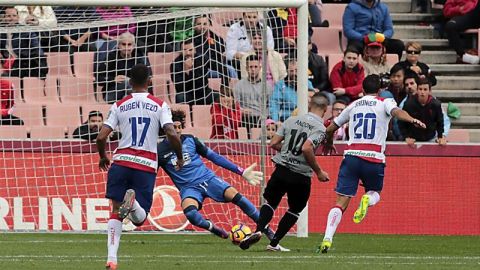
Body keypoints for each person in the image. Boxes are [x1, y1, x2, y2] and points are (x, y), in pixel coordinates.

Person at [317, 74, 426, 254]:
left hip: (351, 156)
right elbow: (397, 112)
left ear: (362, 90)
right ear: (380, 90)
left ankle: (327, 238)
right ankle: (367, 198)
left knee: (341, 202)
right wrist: (412, 119)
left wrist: (328, 141)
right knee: (375, 192)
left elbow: (331, 127)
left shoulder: (353, 105)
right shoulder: (384, 102)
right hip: (373, 156)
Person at [96, 64, 184, 270]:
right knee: (139, 220)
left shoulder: (119, 104)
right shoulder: (160, 105)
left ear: (129, 82)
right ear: (150, 81)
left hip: (121, 162)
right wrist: (179, 156)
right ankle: (133, 204)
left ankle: (112, 259)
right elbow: (171, 133)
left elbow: (101, 137)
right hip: (145, 164)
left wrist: (103, 156)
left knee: (116, 212)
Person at [157, 109, 281, 242]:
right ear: (166, 130)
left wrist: (241, 171)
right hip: (188, 188)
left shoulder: (191, 140)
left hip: (208, 179)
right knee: (191, 214)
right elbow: (151, 174)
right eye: (174, 127)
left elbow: (214, 157)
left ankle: (267, 230)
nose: (177, 130)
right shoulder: (159, 151)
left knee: (238, 197)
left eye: (179, 127)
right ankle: (212, 228)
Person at [239, 92, 331, 252]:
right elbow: (307, 148)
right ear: (325, 108)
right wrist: (319, 171)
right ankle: (274, 243)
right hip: (300, 176)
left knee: (271, 203)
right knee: (295, 210)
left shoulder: (291, 120)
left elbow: (274, 143)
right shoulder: (320, 129)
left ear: (310, 105)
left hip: (281, 170)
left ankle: (259, 230)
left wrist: (288, 149)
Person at [97, 32, 151, 104]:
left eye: (129, 45)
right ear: (118, 45)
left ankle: (129, 99)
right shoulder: (111, 57)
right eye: (123, 44)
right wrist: (113, 79)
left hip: (133, 94)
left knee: (128, 90)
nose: (126, 47)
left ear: (134, 46)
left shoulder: (139, 58)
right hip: (112, 94)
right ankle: (145, 100)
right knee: (125, 81)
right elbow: (99, 79)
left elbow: (149, 76)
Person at [0, 7, 48, 78]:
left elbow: (37, 48)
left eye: (14, 16)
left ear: (18, 17)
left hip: (23, 63)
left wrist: (41, 64)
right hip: (6, 62)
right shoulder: (1, 32)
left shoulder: (26, 31)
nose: (11, 18)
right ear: (3, 18)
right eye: (8, 16)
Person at [399, 78, 447, 146]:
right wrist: (406, 137)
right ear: (417, 90)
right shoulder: (408, 104)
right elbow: (401, 121)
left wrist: (440, 137)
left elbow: (440, 122)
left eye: (425, 89)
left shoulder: (436, 104)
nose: (422, 92)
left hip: (431, 137)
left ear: (429, 91)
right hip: (413, 139)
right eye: (420, 89)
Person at [234, 54, 273, 135]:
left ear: (260, 68)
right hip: (246, 118)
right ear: (246, 68)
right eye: (250, 67)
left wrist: (265, 114)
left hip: (262, 118)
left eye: (255, 67)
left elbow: (271, 105)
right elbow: (235, 105)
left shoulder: (267, 86)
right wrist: (241, 110)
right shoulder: (239, 86)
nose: (253, 69)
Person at [270, 58, 315, 123]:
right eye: (291, 71)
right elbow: (274, 104)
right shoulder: (280, 85)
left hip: (304, 119)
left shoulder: (308, 83)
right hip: (286, 119)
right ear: (287, 71)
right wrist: (275, 121)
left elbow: (313, 103)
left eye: (296, 70)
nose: (294, 73)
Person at [171, 38, 213, 106]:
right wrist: (187, 71)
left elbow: (202, 84)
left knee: (218, 96)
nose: (187, 53)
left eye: (190, 50)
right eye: (184, 50)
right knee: (180, 97)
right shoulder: (175, 64)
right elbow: (180, 88)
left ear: (195, 50)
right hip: (187, 94)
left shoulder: (201, 59)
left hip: (202, 93)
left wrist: (191, 70)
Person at [443, 0, 480, 64]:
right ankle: (463, 55)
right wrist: (459, 9)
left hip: (476, 11)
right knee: (451, 25)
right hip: (466, 16)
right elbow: (446, 11)